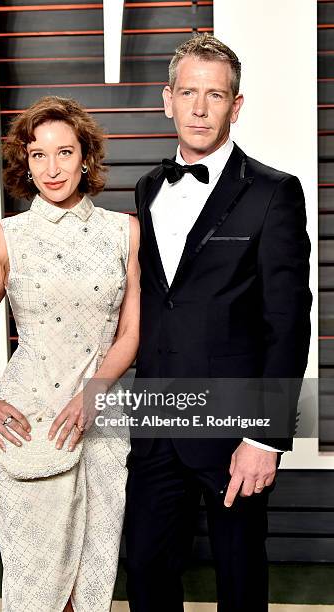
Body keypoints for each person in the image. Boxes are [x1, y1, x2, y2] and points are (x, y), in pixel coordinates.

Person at [125, 33, 312, 611]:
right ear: (167, 100)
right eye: (188, 93)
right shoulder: (149, 187)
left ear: (237, 104)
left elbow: (289, 321)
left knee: (238, 578)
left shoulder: (276, 192)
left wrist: (265, 438)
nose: (200, 107)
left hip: (236, 425)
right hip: (156, 419)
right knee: (146, 572)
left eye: (215, 94)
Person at [0, 95, 140, 612]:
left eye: (64, 152)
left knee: (93, 577)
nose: (52, 167)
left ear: (86, 156)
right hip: (30, 418)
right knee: (37, 583)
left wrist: (93, 395)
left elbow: (130, 331)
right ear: (25, 162)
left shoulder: (122, 232)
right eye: (38, 155)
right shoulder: (4, 237)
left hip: (102, 417)